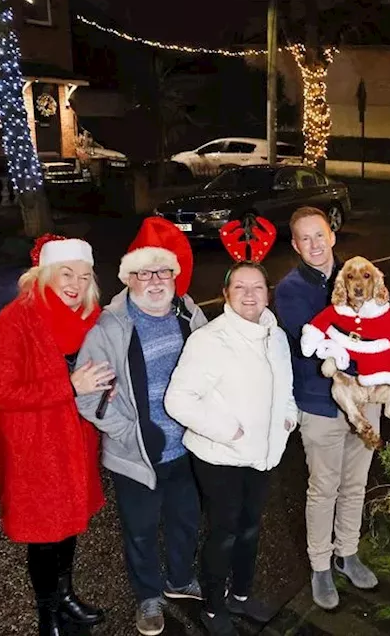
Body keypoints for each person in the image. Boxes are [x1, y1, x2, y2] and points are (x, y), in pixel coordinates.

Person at [75, 219, 208, 635]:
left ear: (174, 275)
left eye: (162, 271)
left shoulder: (191, 314)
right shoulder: (109, 328)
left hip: (187, 449)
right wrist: (127, 432)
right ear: (129, 277)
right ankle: (148, 596)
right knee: (141, 530)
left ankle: (179, 578)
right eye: (144, 273)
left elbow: (215, 369)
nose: (155, 281)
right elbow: (88, 396)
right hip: (136, 454)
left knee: (187, 519)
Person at [0, 235, 109, 636]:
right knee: (44, 534)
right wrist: (69, 387)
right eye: (66, 274)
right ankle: (48, 612)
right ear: (45, 274)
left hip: (74, 440)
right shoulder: (16, 319)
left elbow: (96, 372)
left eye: (84, 276)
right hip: (34, 446)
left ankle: (66, 595)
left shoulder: (89, 318)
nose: (75, 284)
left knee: (68, 524)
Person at [166, 262, 299, 636]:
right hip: (220, 456)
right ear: (226, 294)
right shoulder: (210, 340)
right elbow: (178, 400)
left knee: (251, 527)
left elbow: (284, 386)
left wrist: (289, 417)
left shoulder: (274, 335)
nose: (250, 295)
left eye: (257, 286)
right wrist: (228, 430)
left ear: (268, 293)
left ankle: (240, 595)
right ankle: (212, 606)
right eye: (240, 287)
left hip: (264, 452)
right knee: (224, 530)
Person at [273, 206, 380, 610]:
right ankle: (320, 565)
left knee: (356, 484)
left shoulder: (358, 273)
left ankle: (347, 552)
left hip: (366, 400)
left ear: (332, 235)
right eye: (305, 239)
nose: (315, 245)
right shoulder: (289, 290)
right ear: (296, 245)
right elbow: (319, 344)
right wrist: (368, 351)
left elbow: (385, 322)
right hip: (320, 404)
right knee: (323, 488)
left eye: (320, 235)